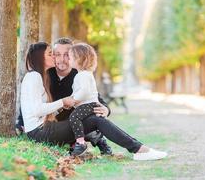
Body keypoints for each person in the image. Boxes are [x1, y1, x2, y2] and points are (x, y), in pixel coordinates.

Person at [21, 41, 168, 160]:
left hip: (44, 128)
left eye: (63, 55)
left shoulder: (47, 75)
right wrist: (62, 102)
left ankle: (138, 148)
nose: (55, 57)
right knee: (96, 121)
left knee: (96, 119)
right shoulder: (34, 77)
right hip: (40, 131)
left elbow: (93, 96)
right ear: (40, 57)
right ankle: (139, 149)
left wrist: (105, 109)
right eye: (50, 54)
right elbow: (35, 110)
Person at [17, 37, 112, 155]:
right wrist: (20, 122)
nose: (61, 59)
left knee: (87, 116)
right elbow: (30, 101)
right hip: (50, 121)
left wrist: (106, 109)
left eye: (66, 55)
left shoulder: (79, 74)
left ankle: (97, 139)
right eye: (56, 54)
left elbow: (94, 96)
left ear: (73, 56)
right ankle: (74, 142)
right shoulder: (45, 74)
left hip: (72, 118)